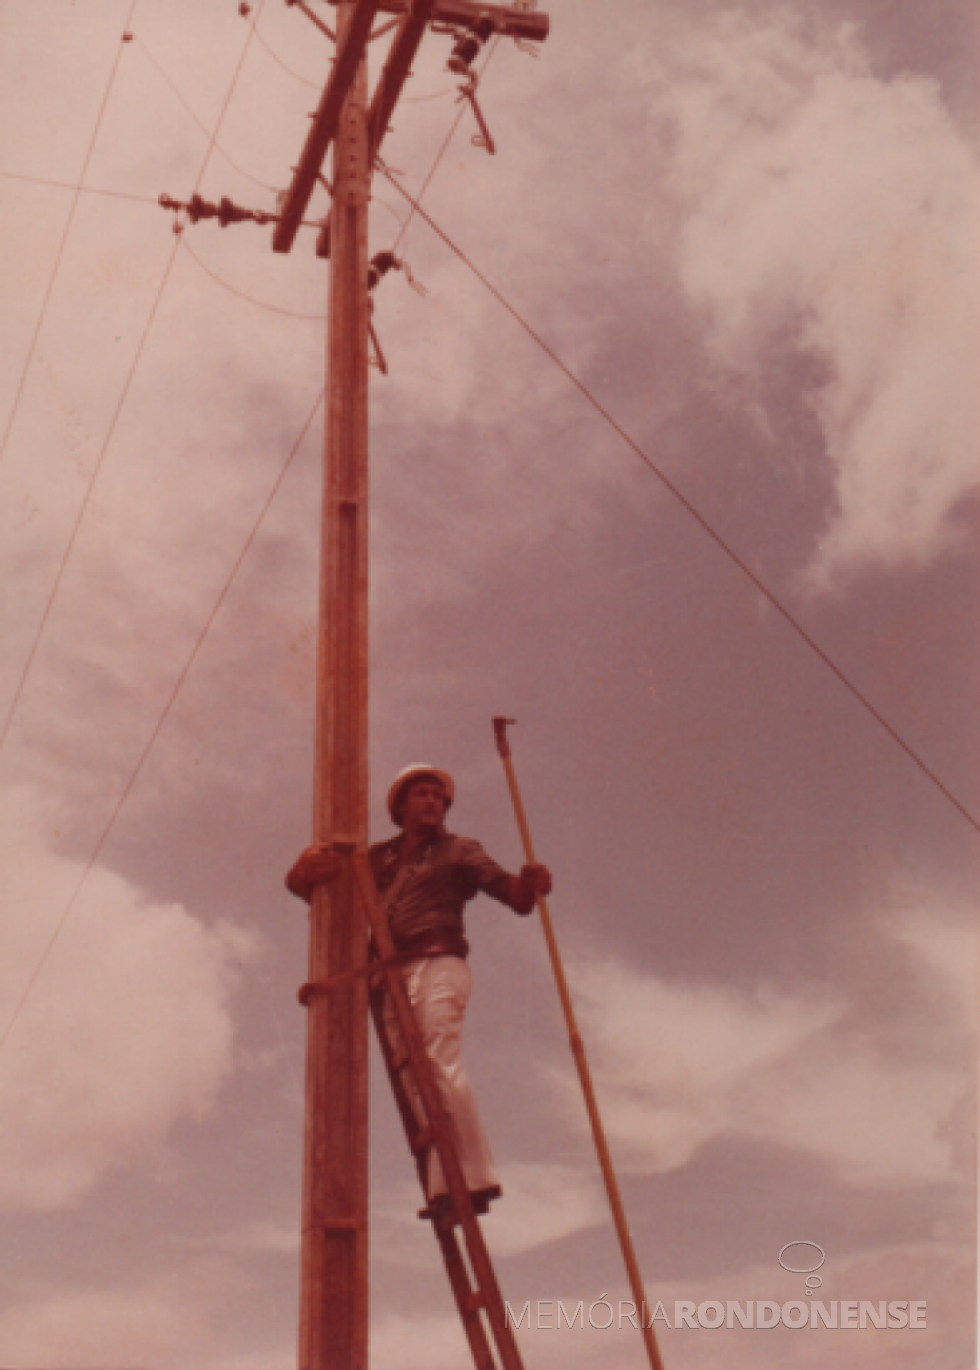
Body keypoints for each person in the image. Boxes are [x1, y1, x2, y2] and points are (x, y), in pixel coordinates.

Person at [286, 763, 552, 1218]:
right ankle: (443, 1184)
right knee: (415, 1079)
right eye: (421, 794)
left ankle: (474, 1179)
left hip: (438, 961)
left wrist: (530, 885)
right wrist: (301, 870)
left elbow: (511, 894)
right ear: (401, 806)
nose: (432, 801)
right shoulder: (375, 859)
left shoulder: (460, 850)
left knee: (435, 1060)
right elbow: (310, 889)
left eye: (437, 795)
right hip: (389, 975)